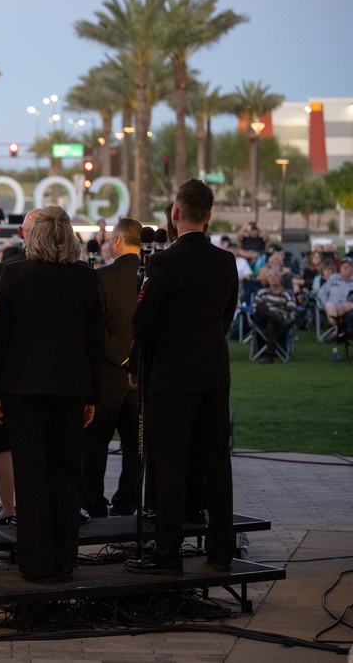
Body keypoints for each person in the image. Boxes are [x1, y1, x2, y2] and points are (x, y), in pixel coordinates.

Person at [0, 206, 104, 583]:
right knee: (66, 473)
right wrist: (92, 396)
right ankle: (65, 558)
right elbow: (94, 343)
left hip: (23, 389)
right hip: (70, 388)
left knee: (31, 473)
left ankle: (35, 562)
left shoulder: (14, 275)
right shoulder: (85, 279)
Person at [125, 179, 238, 576]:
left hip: (172, 376)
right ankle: (221, 547)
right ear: (208, 216)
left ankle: (168, 551)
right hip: (212, 371)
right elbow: (227, 315)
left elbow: (145, 321)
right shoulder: (225, 262)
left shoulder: (164, 263)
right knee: (216, 462)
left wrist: (144, 361)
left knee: (170, 465)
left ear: (175, 213)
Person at [0, 211, 41, 528]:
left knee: (4, 443)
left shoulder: (3, 271)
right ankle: (24, 509)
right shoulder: (75, 270)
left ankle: (10, 508)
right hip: (47, 375)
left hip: (11, 374)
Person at [80, 217, 142, 519]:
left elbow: (96, 330)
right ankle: (127, 502)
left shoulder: (100, 277)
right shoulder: (152, 276)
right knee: (136, 445)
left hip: (107, 374)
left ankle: (93, 502)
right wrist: (138, 359)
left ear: (117, 241)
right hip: (141, 377)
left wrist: (123, 357)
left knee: (95, 444)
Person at [252, 268, 296, 363]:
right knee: (261, 305)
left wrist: (290, 319)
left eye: (275, 276)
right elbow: (255, 308)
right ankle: (275, 318)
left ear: (280, 278)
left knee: (271, 323)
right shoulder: (262, 293)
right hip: (262, 320)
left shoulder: (286, 294)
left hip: (277, 324)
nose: (273, 278)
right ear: (267, 279)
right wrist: (273, 316)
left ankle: (269, 356)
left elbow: (291, 310)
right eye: (270, 276)